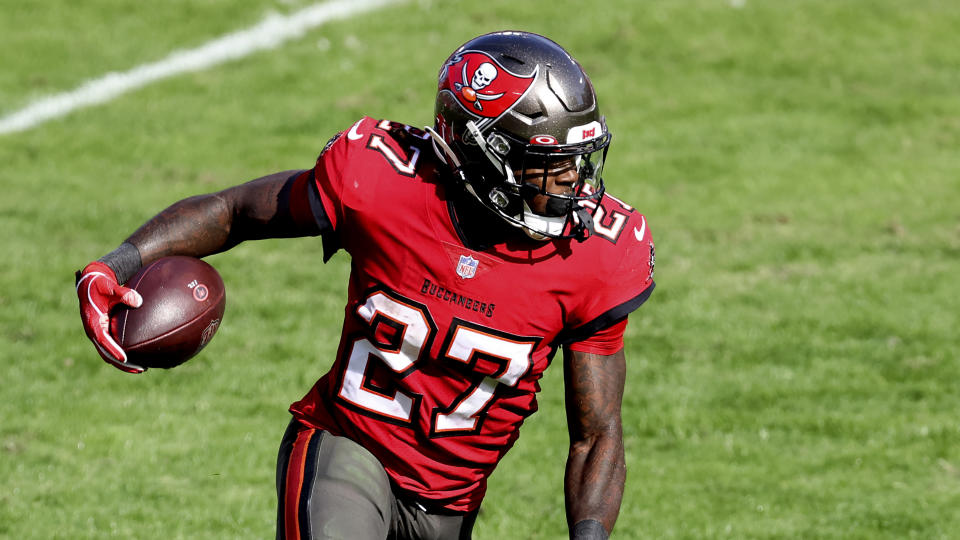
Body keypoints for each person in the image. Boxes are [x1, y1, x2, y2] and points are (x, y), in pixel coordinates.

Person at [76, 31, 655, 540]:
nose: (569, 185)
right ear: (476, 158)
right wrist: (117, 265)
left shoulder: (595, 258)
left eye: (575, 164)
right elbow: (235, 211)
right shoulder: (382, 184)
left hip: (452, 503)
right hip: (348, 448)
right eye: (541, 167)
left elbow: (596, 434)